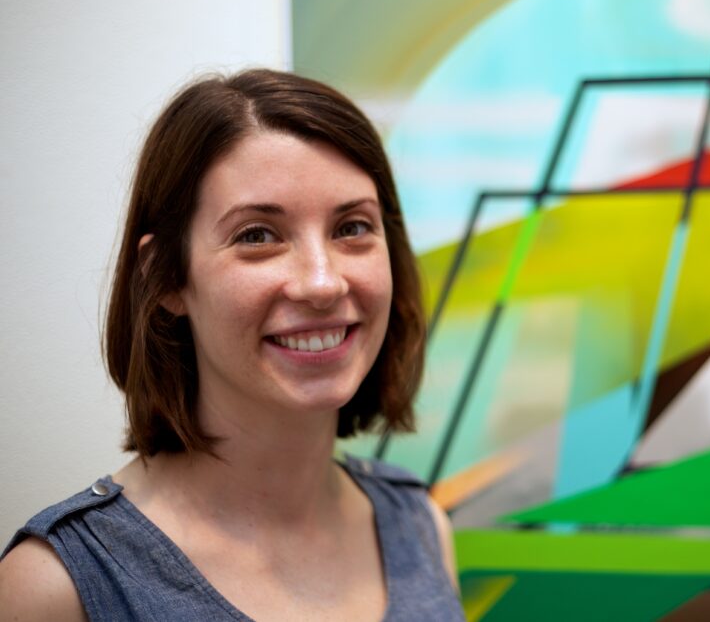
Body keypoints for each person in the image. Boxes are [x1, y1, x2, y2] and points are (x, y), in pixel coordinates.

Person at [0, 69, 465, 621]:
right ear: (166, 278)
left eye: (352, 228)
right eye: (257, 236)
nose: (322, 282)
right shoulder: (54, 587)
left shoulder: (421, 525)